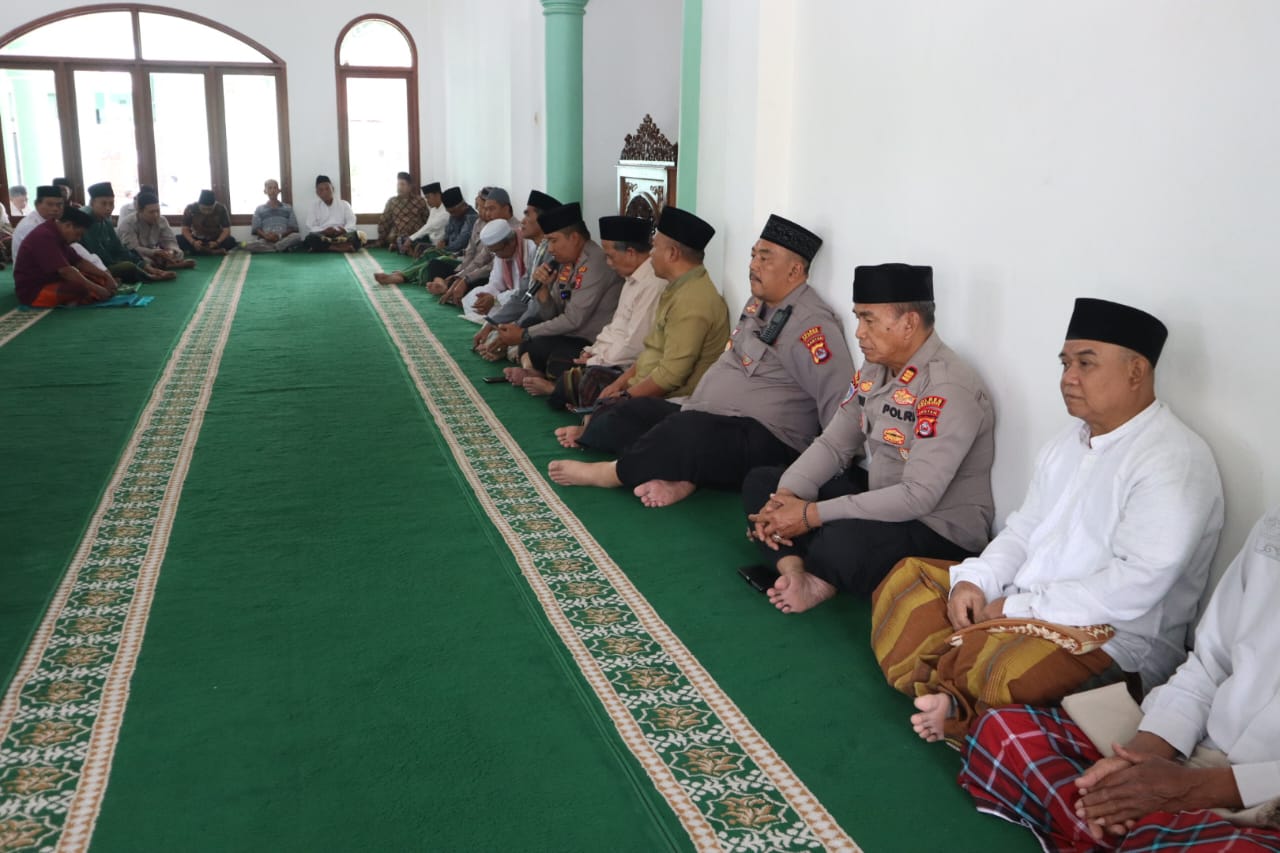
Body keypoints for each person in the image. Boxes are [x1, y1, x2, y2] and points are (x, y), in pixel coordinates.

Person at [871, 298, 1224, 746]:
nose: (1068, 378)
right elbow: (1023, 529)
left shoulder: (1174, 459)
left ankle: (952, 695)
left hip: (1110, 639)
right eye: (1065, 363)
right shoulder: (1067, 443)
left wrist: (1017, 610)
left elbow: (1135, 584)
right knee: (908, 580)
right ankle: (957, 698)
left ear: (1136, 372)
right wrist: (977, 582)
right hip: (1024, 602)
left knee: (1006, 669)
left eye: (1085, 364)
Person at [960, 505, 1280, 852]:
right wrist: (1134, 762)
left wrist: (1190, 789)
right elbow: (1210, 664)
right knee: (1002, 733)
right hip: (1197, 750)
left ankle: (1135, 829)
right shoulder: (1273, 524)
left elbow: (1132, 584)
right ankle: (1133, 827)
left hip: (1268, 799)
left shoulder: (1175, 478)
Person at [548, 213, 855, 509]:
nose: (753, 265)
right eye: (753, 256)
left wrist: (822, 469)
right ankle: (683, 477)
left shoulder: (813, 326)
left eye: (765, 258)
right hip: (710, 416)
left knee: (687, 432)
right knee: (633, 412)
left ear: (794, 271)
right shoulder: (757, 304)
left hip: (771, 438)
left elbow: (840, 403)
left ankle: (612, 473)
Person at [742, 264, 996, 613]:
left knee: (840, 541)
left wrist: (810, 515)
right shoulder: (876, 368)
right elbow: (834, 443)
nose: (859, 333)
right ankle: (797, 571)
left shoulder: (947, 387)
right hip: (881, 502)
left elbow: (917, 497)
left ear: (909, 323)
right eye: (858, 318)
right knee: (764, 484)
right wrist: (786, 498)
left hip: (937, 528)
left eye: (869, 320)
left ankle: (815, 565)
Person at [553, 209, 729, 440]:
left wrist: (625, 397)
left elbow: (670, 376)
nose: (650, 254)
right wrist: (620, 384)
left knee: (612, 416)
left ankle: (592, 432)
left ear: (673, 253)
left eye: (655, 247)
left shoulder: (693, 301)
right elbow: (649, 351)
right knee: (602, 399)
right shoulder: (678, 288)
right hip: (642, 384)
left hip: (673, 399)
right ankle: (592, 425)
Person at [532, 215, 668, 399]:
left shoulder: (652, 284)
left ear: (630, 253)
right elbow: (615, 327)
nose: (609, 264)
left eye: (610, 256)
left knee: (582, 376)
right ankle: (561, 387)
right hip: (607, 355)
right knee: (554, 355)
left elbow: (634, 345)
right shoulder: (631, 278)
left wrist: (596, 359)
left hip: (626, 365)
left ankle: (555, 389)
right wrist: (592, 352)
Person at [488, 202, 622, 382]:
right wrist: (543, 291)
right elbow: (552, 315)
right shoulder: (566, 262)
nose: (550, 249)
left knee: (551, 355)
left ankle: (543, 377)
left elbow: (573, 320)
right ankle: (533, 372)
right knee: (532, 334)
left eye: (553, 241)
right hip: (569, 335)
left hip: (590, 341)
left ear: (574, 238)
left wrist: (524, 333)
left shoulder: (595, 263)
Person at [471, 189, 561, 357]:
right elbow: (524, 294)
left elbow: (540, 307)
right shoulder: (539, 250)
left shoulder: (554, 254)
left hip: (550, 322)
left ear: (543, 220)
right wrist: (492, 324)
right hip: (529, 314)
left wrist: (516, 330)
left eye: (527, 215)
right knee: (497, 330)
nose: (522, 221)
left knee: (519, 346)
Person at [13, 206, 117, 307]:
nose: (78, 239)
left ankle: (80, 298)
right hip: (34, 291)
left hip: (55, 280)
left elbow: (79, 262)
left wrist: (106, 276)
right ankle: (83, 298)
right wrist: (97, 289)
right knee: (82, 289)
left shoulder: (57, 232)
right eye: (78, 234)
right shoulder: (44, 236)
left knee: (98, 279)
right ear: (68, 225)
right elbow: (66, 271)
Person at [373, 186, 473, 284]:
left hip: (460, 256)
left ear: (462, 205)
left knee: (434, 263)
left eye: (453, 212)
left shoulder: (471, 218)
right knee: (430, 253)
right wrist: (445, 240)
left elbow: (461, 243)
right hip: (449, 250)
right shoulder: (453, 213)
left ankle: (404, 276)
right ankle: (403, 274)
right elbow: (448, 232)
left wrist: (444, 248)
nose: (451, 215)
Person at [81, 182, 174, 282]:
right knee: (128, 266)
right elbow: (97, 253)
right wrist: (120, 262)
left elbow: (119, 248)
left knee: (133, 254)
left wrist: (144, 265)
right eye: (104, 203)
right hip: (93, 266)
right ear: (92, 203)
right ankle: (151, 276)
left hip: (110, 261)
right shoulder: (85, 219)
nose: (108, 208)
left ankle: (152, 271)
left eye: (111, 204)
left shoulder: (106, 220)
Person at [440, 187, 519, 305]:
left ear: (506, 208)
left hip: (512, 288)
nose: (487, 214)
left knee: (473, 287)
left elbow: (490, 266)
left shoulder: (515, 231)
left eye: (491, 209)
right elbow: (479, 258)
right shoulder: (492, 228)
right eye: (485, 209)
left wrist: (466, 279)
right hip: (495, 281)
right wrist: (461, 277)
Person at [459, 219, 535, 317]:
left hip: (526, 299)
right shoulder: (501, 252)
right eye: (493, 252)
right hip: (507, 296)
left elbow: (528, 289)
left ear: (511, 242)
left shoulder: (530, 248)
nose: (497, 256)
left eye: (497, 251)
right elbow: (496, 283)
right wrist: (485, 297)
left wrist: (496, 299)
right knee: (473, 297)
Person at [117, 190, 194, 270]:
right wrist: (154, 252)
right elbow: (133, 249)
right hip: (138, 254)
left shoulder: (162, 220)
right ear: (140, 211)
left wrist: (171, 252)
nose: (156, 215)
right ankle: (170, 265)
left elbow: (170, 241)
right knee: (142, 260)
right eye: (151, 212)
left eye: (158, 211)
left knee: (179, 253)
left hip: (156, 253)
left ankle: (166, 264)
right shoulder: (128, 223)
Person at [303, 175, 361, 252]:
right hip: (323, 235)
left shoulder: (344, 204)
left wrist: (345, 230)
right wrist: (323, 231)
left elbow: (351, 221)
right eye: (321, 190)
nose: (325, 192)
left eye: (327, 189)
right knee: (310, 238)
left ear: (332, 189)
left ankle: (329, 247)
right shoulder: (314, 206)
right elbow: (310, 226)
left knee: (359, 236)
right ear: (317, 193)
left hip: (341, 235)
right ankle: (339, 248)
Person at [245, 179, 302, 253]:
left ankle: (273, 248)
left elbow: (293, 228)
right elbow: (256, 228)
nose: (273, 190)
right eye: (270, 188)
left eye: (275, 188)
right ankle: (279, 248)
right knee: (247, 245)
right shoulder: (259, 209)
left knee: (297, 236)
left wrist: (279, 236)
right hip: (266, 240)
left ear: (279, 190)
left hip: (283, 238)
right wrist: (266, 236)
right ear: (265, 191)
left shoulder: (288, 208)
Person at [377, 171, 428, 252]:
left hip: (415, 236)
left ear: (410, 187)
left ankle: (401, 247)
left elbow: (426, 220)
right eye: (398, 184)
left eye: (402, 184)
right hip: (398, 235)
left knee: (420, 241)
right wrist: (381, 240)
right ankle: (402, 246)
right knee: (394, 237)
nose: (399, 187)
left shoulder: (419, 201)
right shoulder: (392, 202)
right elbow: (384, 222)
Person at [178, 189, 236, 255]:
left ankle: (199, 251)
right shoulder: (191, 208)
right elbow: (185, 229)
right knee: (178, 239)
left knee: (231, 241)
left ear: (215, 205)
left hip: (215, 239)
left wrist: (217, 242)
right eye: (204, 209)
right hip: (196, 239)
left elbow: (226, 230)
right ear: (199, 205)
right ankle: (213, 252)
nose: (207, 212)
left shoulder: (221, 208)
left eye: (210, 209)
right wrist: (193, 242)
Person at [404, 181, 449, 254]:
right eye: (426, 198)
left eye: (428, 197)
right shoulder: (433, 209)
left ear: (437, 195)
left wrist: (411, 238)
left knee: (418, 245)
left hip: (437, 245)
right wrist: (411, 238)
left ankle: (409, 251)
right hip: (429, 239)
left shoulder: (445, 211)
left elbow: (429, 227)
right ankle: (408, 250)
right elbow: (427, 227)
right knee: (402, 239)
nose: (427, 201)